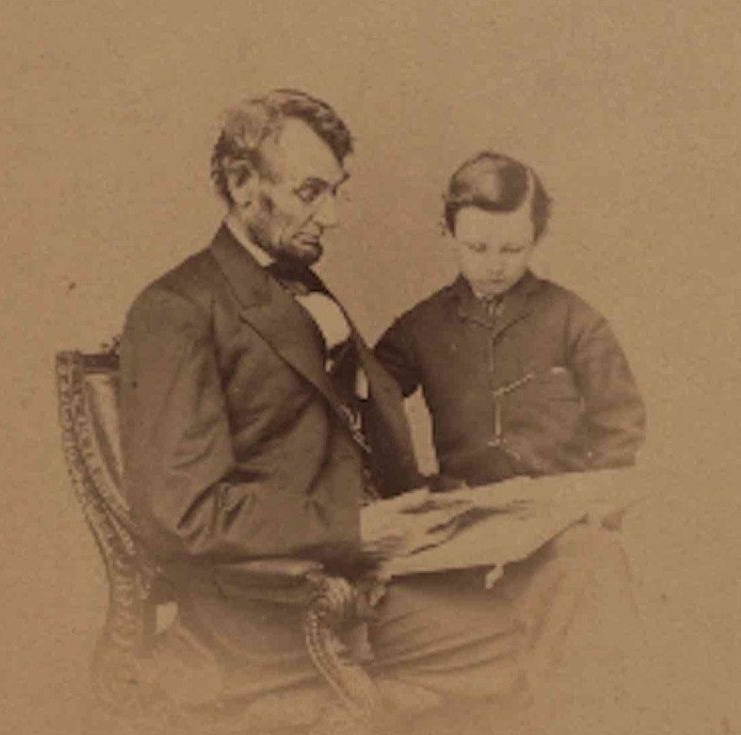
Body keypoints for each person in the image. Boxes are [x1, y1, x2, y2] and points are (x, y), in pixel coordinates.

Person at [118, 92, 538, 731]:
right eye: (310, 192)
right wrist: (355, 528)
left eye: (336, 191)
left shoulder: (300, 284)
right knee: (535, 628)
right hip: (277, 610)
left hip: (367, 573)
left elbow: (348, 441)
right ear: (239, 184)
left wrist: (453, 507)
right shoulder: (177, 308)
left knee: (571, 567)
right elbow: (184, 510)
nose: (333, 216)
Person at [374, 151, 646, 490]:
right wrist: (408, 486)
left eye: (512, 249)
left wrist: (594, 502)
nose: (494, 265)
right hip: (463, 514)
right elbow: (364, 402)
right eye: (477, 247)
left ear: (537, 237)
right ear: (447, 233)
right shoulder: (419, 327)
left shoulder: (576, 320)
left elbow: (621, 423)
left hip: (560, 514)